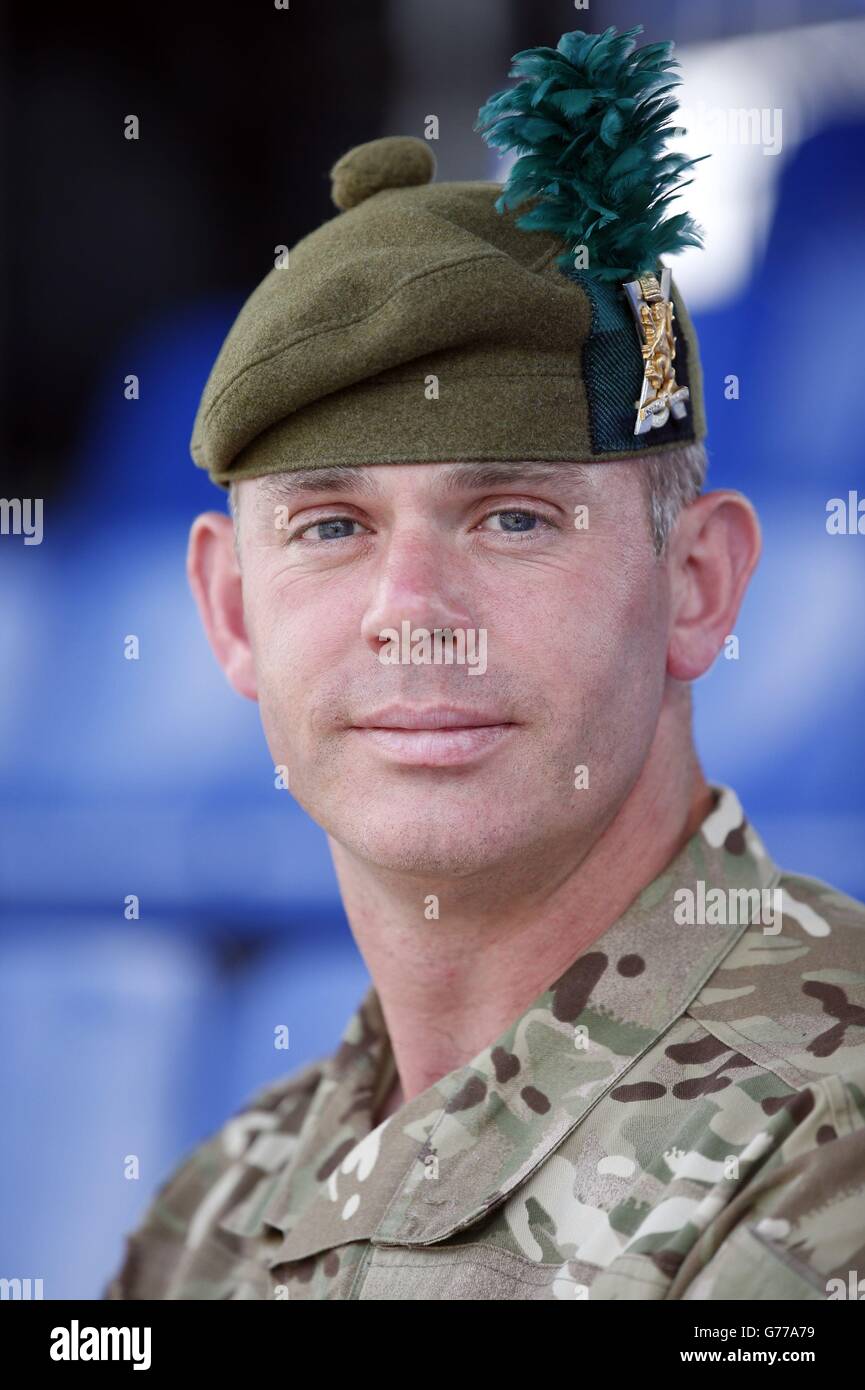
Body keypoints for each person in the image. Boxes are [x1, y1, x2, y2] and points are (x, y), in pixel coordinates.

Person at [103, 24, 865, 1301]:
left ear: (697, 586)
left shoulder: (825, 1135)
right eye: (331, 528)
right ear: (231, 611)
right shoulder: (218, 1204)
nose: (411, 612)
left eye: (514, 517)